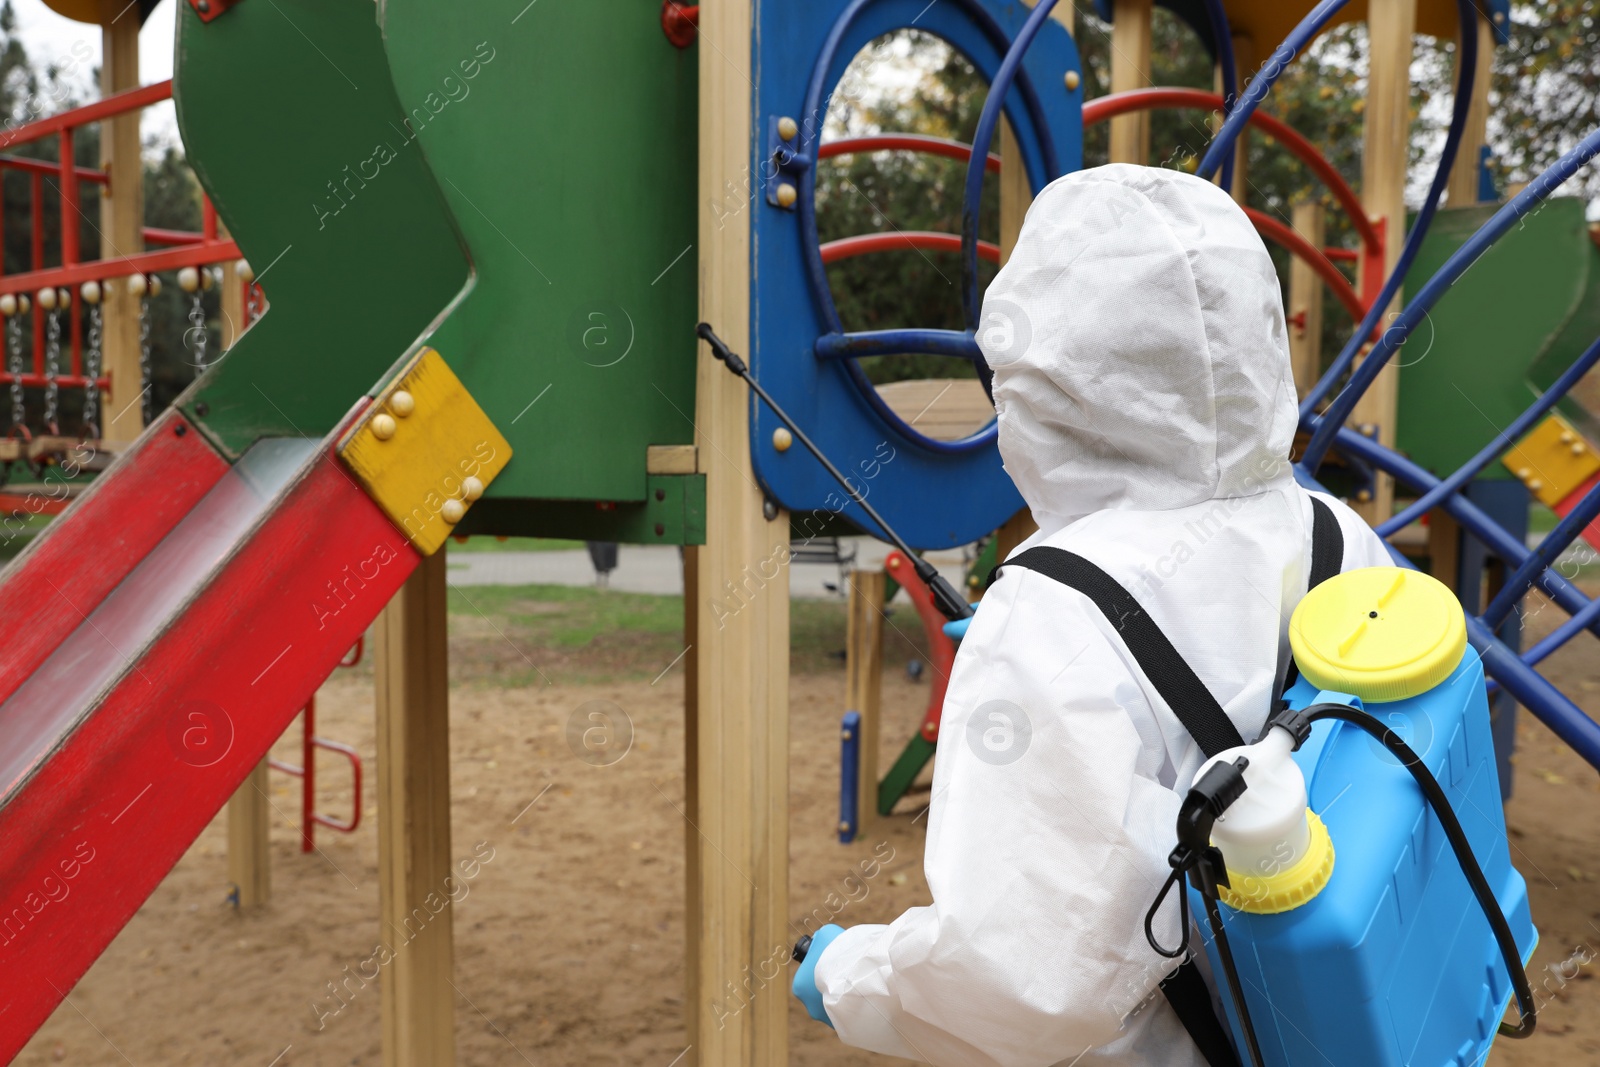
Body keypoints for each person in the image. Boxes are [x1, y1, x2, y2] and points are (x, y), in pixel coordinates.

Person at [794, 165, 1392, 1065]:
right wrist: (1066, 675)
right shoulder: (1337, 529)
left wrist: (852, 974)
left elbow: (1021, 984)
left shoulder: (1052, 607)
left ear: (1037, 375)